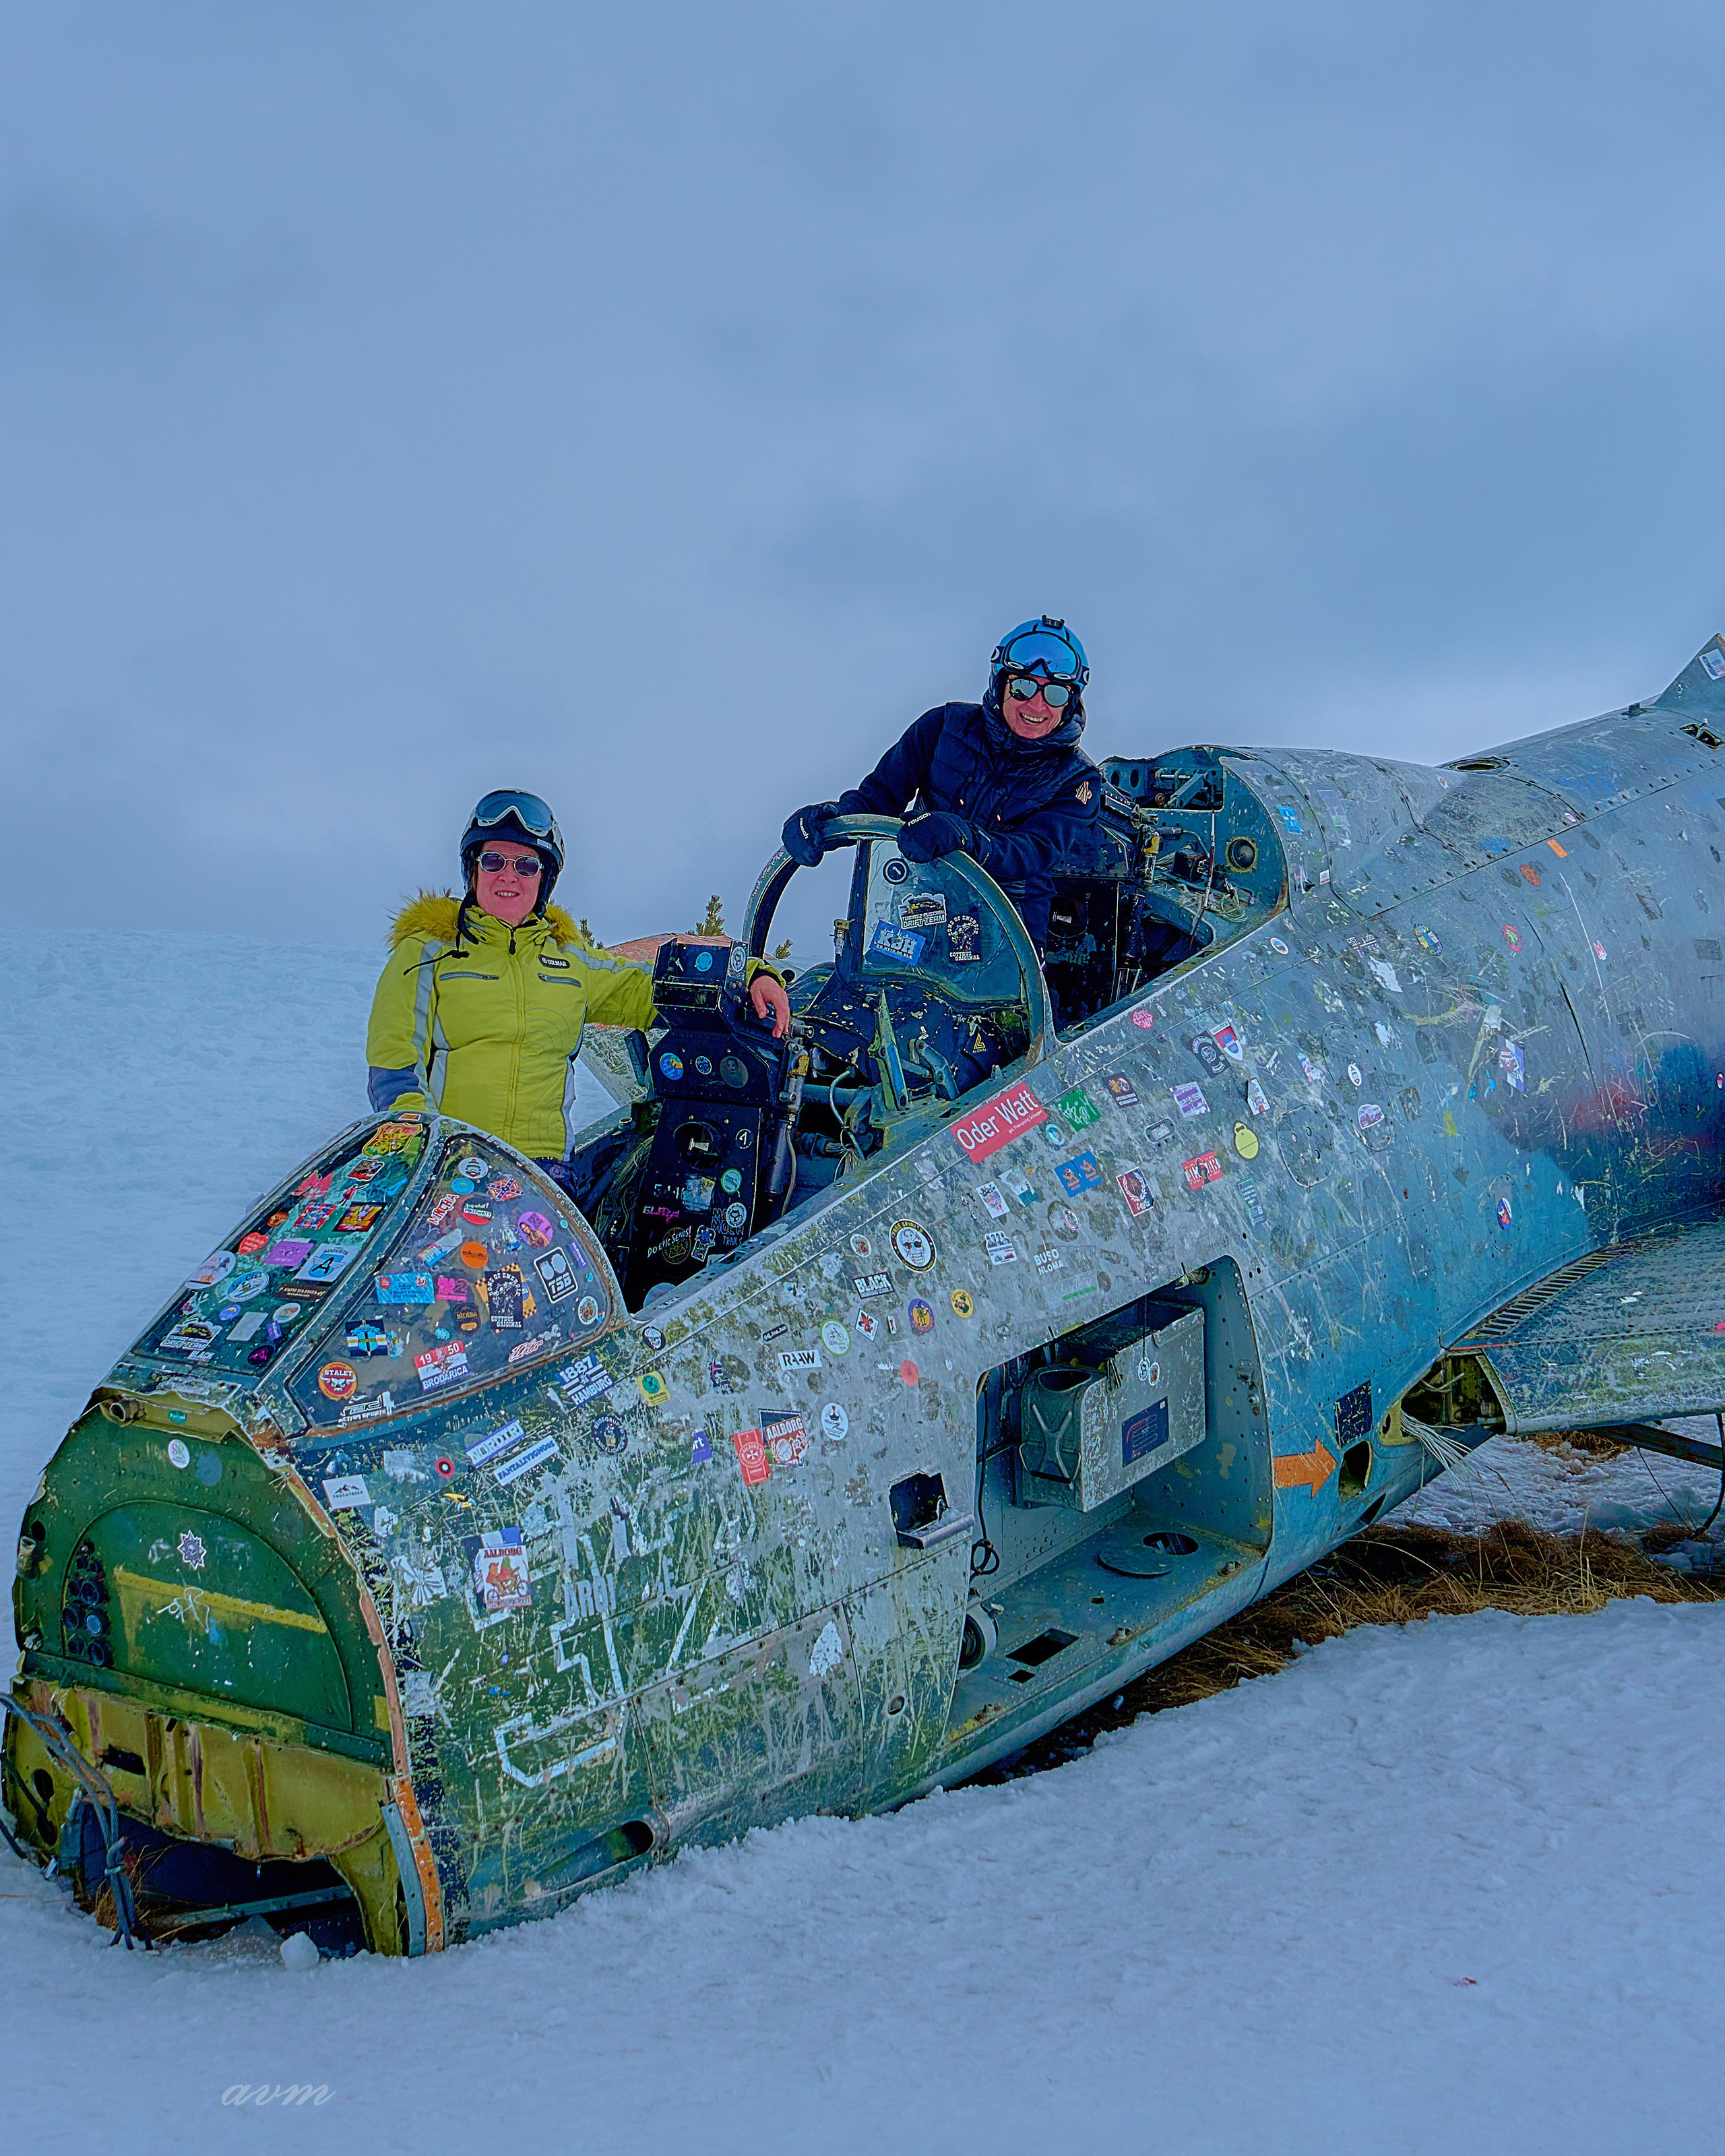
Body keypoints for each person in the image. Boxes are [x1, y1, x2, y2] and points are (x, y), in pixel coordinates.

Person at [367, 791, 789, 1192]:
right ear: (473, 868)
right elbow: (394, 1065)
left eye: (526, 865)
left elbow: (651, 988)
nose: (508, 876)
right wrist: (427, 1153)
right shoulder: (426, 951)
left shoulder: (570, 960)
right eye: (494, 860)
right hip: (450, 1165)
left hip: (543, 1174)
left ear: (544, 879)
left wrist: (752, 976)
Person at [780, 616, 1102, 954]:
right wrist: (828, 820)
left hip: (1007, 942)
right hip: (915, 914)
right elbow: (879, 798)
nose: (1037, 705)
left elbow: (1033, 851)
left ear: (1070, 702)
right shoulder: (944, 727)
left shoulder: (1077, 780)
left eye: (1054, 693)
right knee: (877, 999)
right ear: (1000, 684)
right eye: (1022, 687)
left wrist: (965, 837)